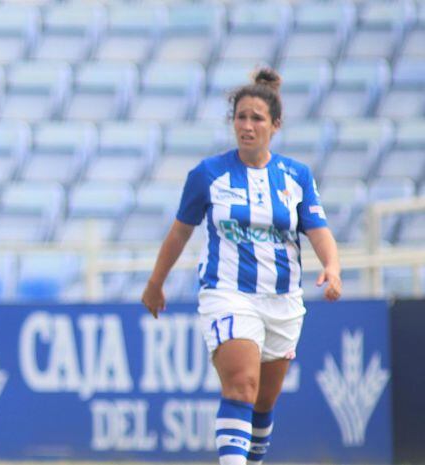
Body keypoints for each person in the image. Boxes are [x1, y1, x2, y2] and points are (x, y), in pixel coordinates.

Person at [141, 68, 342, 465]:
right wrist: (155, 283)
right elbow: (179, 233)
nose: (247, 126)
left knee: (263, 404)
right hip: (228, 293)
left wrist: (332, 267)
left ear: (275, 125)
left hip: (283, 301)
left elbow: (318, 229)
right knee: (241, 386)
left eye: (257, 118)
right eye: (241, 117)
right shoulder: (207, 175)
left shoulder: (296, 176)